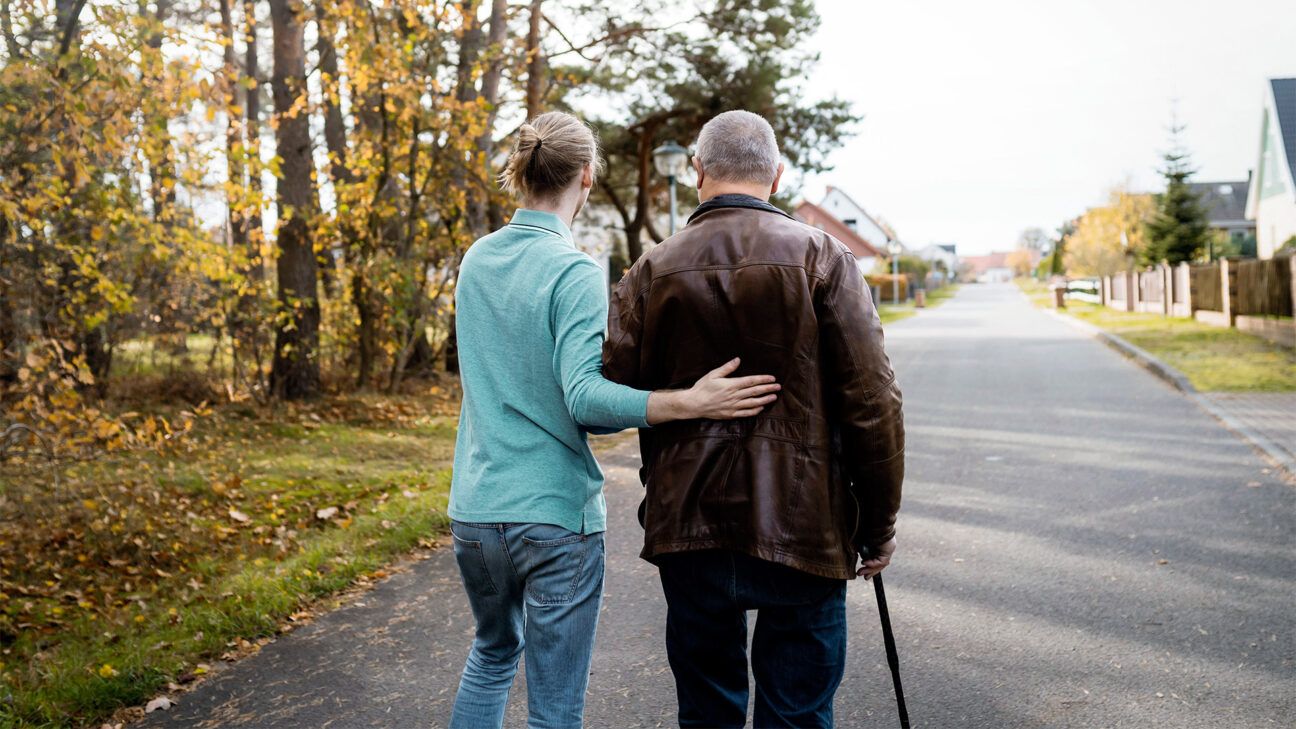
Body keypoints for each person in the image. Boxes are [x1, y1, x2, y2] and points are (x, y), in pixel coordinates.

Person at [447, 110, 781, 729]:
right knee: (554, 707)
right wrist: (690, 401)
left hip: (473, 511)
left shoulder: (477, 259)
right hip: (551, 517)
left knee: (491, 655)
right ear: (588, 176)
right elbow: (585, 401)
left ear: (522, 172)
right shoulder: (571, 269)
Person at [603, 110, 905, 729]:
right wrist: (876, 525)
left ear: (696, 172)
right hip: (806, 524)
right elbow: (873, 402)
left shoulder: (652, 268)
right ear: (778, 173)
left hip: (688, 521)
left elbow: (611, 386)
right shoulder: (824, 256)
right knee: (796, 714)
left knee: (707, 713)